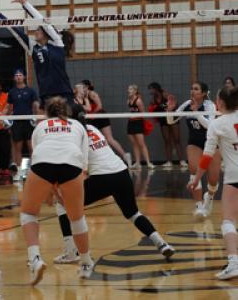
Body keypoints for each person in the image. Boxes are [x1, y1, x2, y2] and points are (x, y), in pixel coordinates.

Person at [54, 111, 174, 265]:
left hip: (103, 178)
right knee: (133, 213)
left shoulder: (73, 137)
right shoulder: (92, 128)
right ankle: (162, 244)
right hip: (122, 174)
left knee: (62, 205)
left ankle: (71, 253)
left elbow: (78, 169)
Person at [20, 98, 93, 285]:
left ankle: (35, 258)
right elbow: (84, 167)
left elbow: (41, 157)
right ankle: (85, 262)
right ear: (66, 111)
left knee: (28, 213)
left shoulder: (41, 126)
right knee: (76, 218)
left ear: (47, 112)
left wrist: (52, 190)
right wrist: (67, 193)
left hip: (42, 164)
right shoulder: (77, 125)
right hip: (72, 164)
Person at [0, 0, 74, 108]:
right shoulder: (33, 48)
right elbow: (15, 31)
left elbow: (41, 20)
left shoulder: (57, 43)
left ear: (46, 32)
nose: (35, 31)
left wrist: (24, 3)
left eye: (38, 29)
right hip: (46, 94)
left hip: (64, 92)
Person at [189, 86, 238, 280]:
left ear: (221, 103)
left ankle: (234, 263)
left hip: (234, 178)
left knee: (228, 220)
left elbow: (207, 156)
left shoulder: (217, 125)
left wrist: (195, 179)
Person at [167, 81, 219, 219]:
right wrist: (170, 110)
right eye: (191, 88)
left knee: (213, 180)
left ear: (203, 93)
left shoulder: (210, 105)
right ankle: (198, 206)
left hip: (212, 142)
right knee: (194, 170)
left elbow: (210, 126)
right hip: (194, 143)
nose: (192, 91)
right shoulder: (186, 104)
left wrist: (196, 113)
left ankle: (210, 196)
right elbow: (171, 121)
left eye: (196, 89)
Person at [76, 80, 130, 165]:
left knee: (109, 138)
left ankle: (125, 156)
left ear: (87, 87)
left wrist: (92, 115)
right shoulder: (82, 97)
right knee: (92, 139)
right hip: (92, 118)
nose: (82, 88)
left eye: (83, 87)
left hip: (100, 117)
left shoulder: (92, 94)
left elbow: (100, 107)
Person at [7, 69, 39, 181]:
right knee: (17, 147)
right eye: (16, 75)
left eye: (20, 75)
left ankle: (34, 172)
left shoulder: (30, 91)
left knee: (31, 147)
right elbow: (8, 108)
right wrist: (3, 118)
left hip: (28, 121)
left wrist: (37, 118)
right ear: (14, 78)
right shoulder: (11, 92)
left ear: (24, 77)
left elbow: (35, 105)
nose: (18, 77)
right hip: (17, 122)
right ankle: (18, 172)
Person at [147, 82, 186, 168]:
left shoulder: (165, 95)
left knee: (177, 140)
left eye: (150, 89)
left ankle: (182, 161)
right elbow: (151, 110)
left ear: (155, 89)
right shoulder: (153, 100)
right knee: (167, 141)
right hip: (163, 120)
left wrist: (171, 108)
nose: (149, 91)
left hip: (172, 118)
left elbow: (176, 105)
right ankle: (169, 162)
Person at [126, 84, 154, 170]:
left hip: (138, 123)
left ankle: (148, 162)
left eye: (131, 89)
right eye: (128, 89)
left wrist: (143, 122)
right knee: (134, 144)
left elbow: (143, 113)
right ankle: (137, 162)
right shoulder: (128, 101)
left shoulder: (138, 101)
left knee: (141, 144)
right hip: (130, 123)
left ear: (135, 91)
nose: (128, 91)